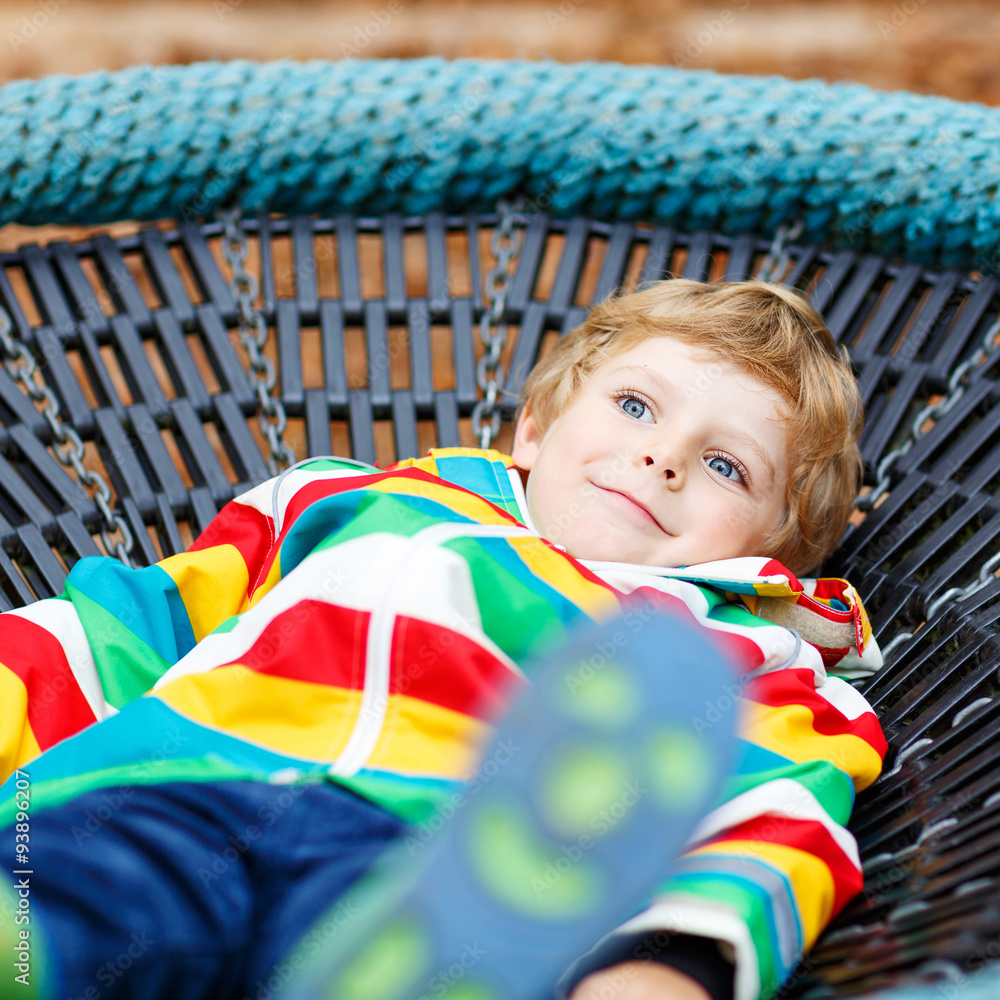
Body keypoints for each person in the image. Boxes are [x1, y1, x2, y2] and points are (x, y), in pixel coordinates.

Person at [0, 279, 886, 1000]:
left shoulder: (742, 664)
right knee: (83, 895)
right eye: (635, 406)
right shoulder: (343, 499)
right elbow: (138, 627)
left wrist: (665, 966)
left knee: (414, 935)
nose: (665, 459)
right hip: (184, 787)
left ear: (776, 548)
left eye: (727, 465)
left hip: (426, 866)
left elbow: (777, 823)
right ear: (534, 430)